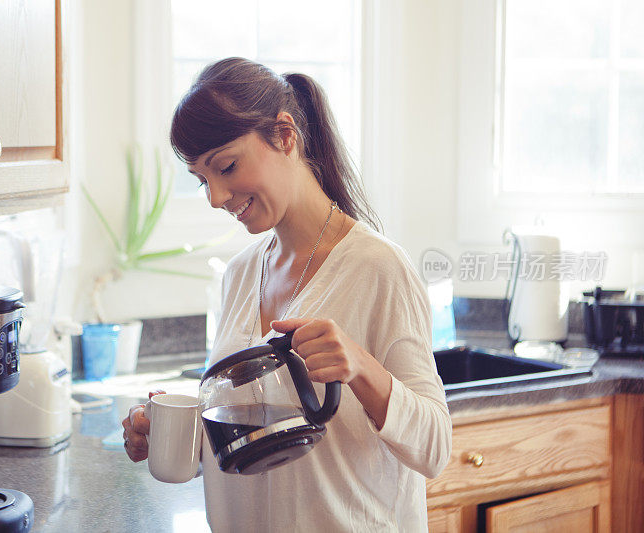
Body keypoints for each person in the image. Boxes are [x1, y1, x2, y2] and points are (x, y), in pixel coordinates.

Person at [121, 57, 452, 532]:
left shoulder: (380, 268)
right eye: (202, 180)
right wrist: (173, 434)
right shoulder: (238, 276)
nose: (215, 197)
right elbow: (256, 443)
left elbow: (435, 448)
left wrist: (358, 365)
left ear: (284, 135)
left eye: (226, 167)